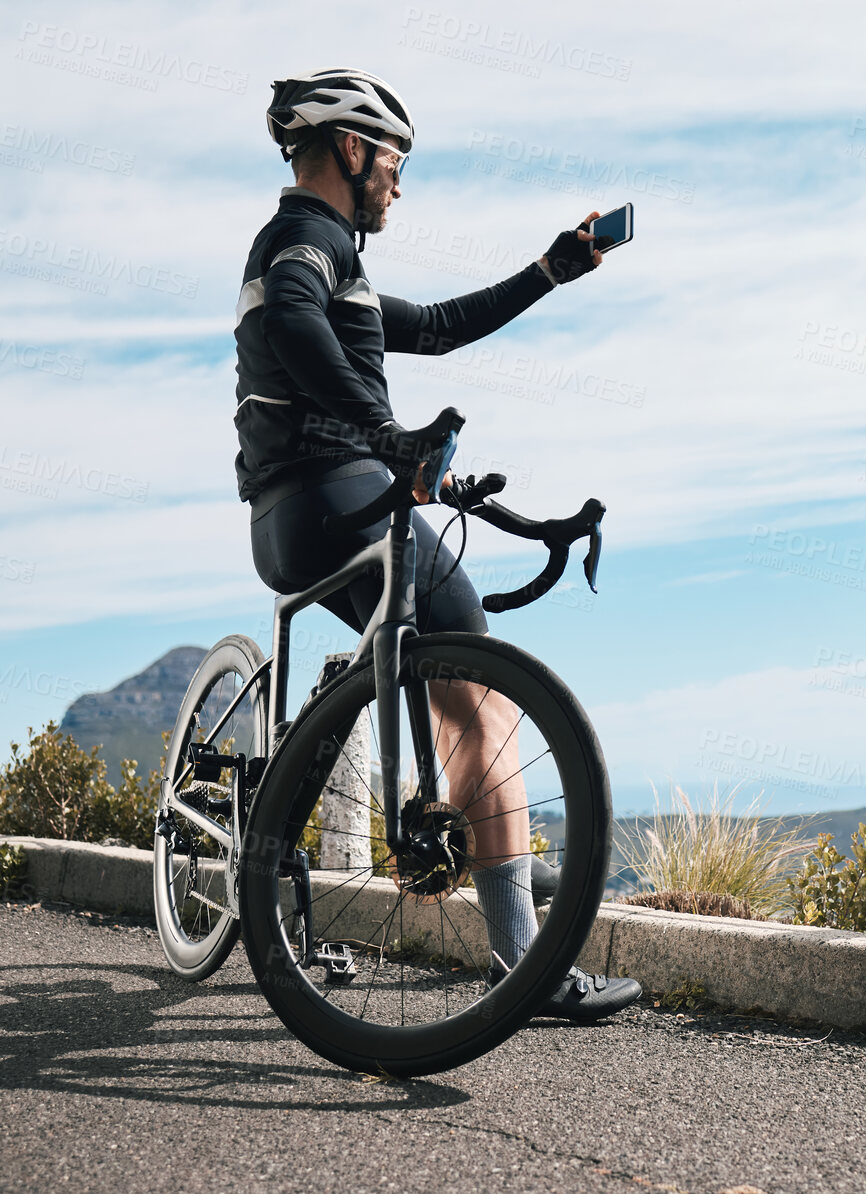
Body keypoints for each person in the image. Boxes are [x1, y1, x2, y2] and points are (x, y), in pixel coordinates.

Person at [236, 67, 639, 1021]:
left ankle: (310, 784)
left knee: (444, 658)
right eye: (394, 162)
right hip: (326, 493)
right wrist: (386, 438)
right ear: (350, 150)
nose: (399, 184)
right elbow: (294, 325)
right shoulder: (301, 241)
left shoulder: (336, 257)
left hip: (308, 507)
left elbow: (441, 328)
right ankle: (521, 965)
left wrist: (549, 270)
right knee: (473, 672)